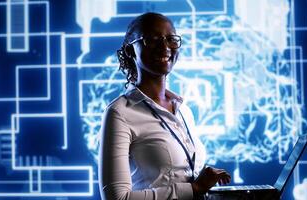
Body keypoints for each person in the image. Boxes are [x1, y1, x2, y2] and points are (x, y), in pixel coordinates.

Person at [98, 12, 231, 200]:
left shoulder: (183, 110)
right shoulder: (120, 112)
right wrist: (194, 188)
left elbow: (178, 178)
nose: (164, 47)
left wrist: (205, 183)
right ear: (130, 51)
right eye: (152, 39)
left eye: (171, 39)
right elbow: (116, 198)